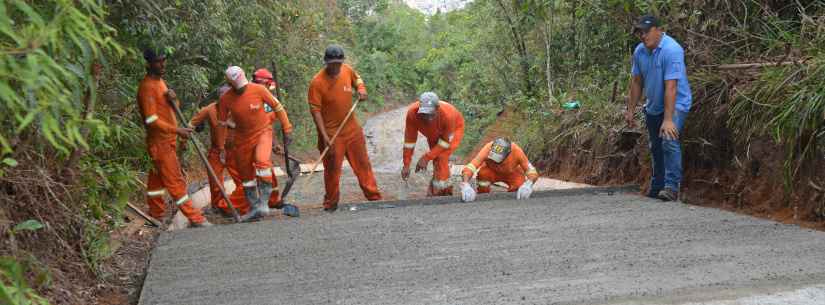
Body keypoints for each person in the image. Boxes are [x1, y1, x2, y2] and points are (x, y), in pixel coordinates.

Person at [136, 48, 210, 227]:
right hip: (159, 143)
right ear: (148, 64)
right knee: (175, 181)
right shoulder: (147, 87)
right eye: (158, 62)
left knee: (156, 183)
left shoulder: (161, 82)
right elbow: (151, 119)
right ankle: (196, 218)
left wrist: (174, 99)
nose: (162, 64)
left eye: (163, 60)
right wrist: (177, 130)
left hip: (167, 141)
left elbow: (168, 109)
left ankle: (156, 215)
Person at [624, 15, 692, 201]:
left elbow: (671, 86)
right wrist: (631, 109)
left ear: (658, 30)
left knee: (668, 140)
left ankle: (671, 187)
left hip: (676, 103)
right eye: (640, 33)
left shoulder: (672, 50)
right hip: (654, 105)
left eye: (646, 32)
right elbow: (637, 82)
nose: (643, 36)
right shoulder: (640, 52)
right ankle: (658, 185)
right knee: (655, 146)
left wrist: (668, 119)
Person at [307, 45, 381, 211]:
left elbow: (358, 79)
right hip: (331, 133)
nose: (336, 67)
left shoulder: (347, 70)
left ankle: (374, 198)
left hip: (352, 129)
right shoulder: (317, 83)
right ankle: (331, 204)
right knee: (332, 170)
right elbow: (316, 112)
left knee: (363, 164)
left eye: (338, 63)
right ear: (326, 62)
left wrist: (361, 89)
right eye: (332, 64)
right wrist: (324, 136)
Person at [218, 66, 292, 221]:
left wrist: (287, 129)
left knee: (262, 162)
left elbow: (278, 107)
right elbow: (222, 124)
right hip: (242, 139)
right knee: (246, 177)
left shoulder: (259, 90)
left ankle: (264, 204)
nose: (242, 89)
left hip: (263, 133)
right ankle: (254, 208)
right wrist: (221, 147)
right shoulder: (226, 99)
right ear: (230, 85)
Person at [401, 92, 465, 196]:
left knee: (441, 157)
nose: (427, 118)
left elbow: (445, 142)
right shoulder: (412, 113)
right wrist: (406, 165)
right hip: (433, 134)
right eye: (424, 114)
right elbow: (409, 141)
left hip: (453, 130)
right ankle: (437, 188)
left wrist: (426, 158)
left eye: (431, 114)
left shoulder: (448, 116)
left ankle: (444, 193)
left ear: (437, 108)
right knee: (436, 160)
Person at [189, 86, 231, 214]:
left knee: (242, 179)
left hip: (235, 150)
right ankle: (218, 206)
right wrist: (184, 139)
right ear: (218, 97)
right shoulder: (210, 109)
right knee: (215, 181)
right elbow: (191, 125)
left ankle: (242, 204)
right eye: (222, 95)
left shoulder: (238, 107)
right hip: (217, 151)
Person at [459, 138, 539, 202]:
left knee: (519, 189)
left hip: (512, 173)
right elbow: (471, 167)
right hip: (491, 171)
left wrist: (529, 183)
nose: (495, 161)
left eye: (497, 159)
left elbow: (531, 171)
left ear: (507, 154)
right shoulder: (487, 148)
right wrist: (465, 184)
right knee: (483, 176)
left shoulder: (517, 151)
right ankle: (483, 195)